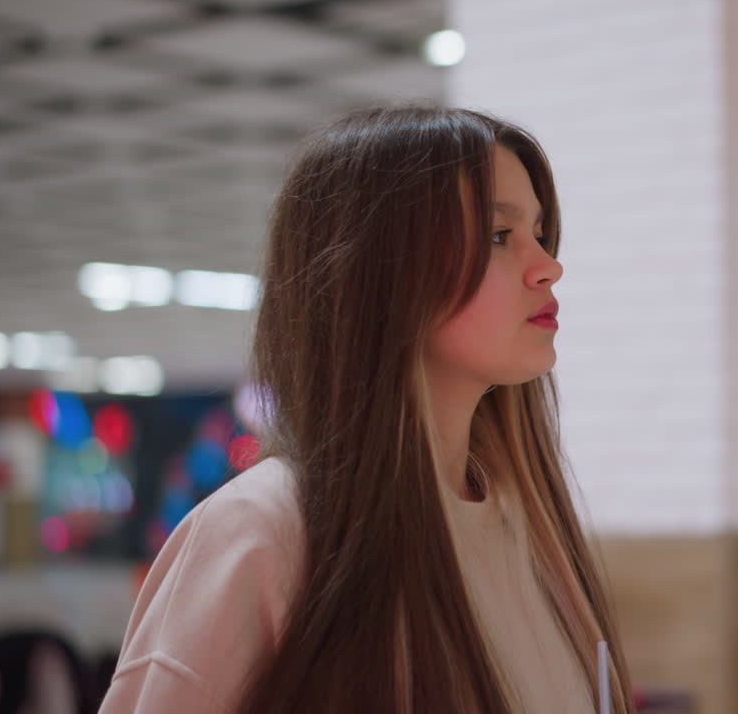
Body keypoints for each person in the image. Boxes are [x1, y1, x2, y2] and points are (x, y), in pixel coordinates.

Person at [98, 105, 635, 713]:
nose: (548, 267)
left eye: (540, 234)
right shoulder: (260, 534)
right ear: (382, 269)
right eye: (497, 235)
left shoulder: (531, 525)